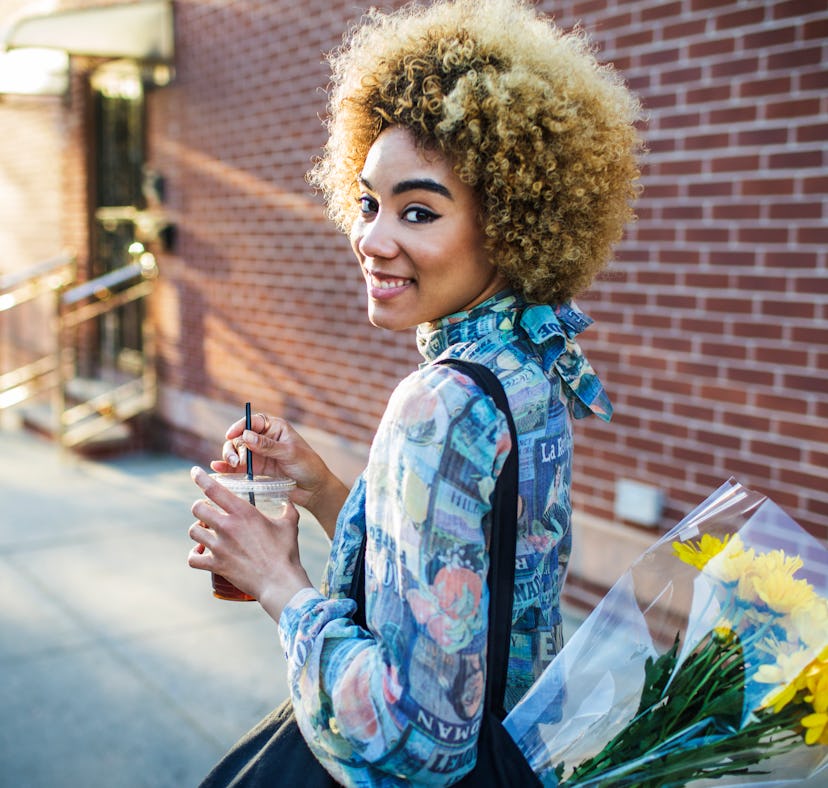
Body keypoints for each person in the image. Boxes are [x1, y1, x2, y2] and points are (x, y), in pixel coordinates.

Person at [188, 0, 641, 784]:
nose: (371, 238)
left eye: (418, 211)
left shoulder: (438, 402)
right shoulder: (531, 369)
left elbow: (412, 746)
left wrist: (278, 582)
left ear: (511, 225)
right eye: (367, 202)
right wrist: (329, 490)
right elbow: (460, 590)